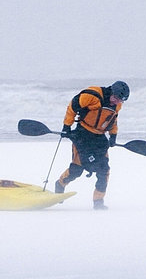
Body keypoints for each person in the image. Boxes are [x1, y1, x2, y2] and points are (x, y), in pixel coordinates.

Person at [54, 80, 130, 210]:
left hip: (99, 137)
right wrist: (66, 126)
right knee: (77, 169)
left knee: (104, 170)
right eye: (116, 98)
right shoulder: (92, 95)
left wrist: (113, 135)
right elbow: (72, 107)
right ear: (111, 92)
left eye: (121, 101)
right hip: (82, 134)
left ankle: (98, 202)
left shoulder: (116, 105)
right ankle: (60, 184)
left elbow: (113, 120)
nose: (117, 102)